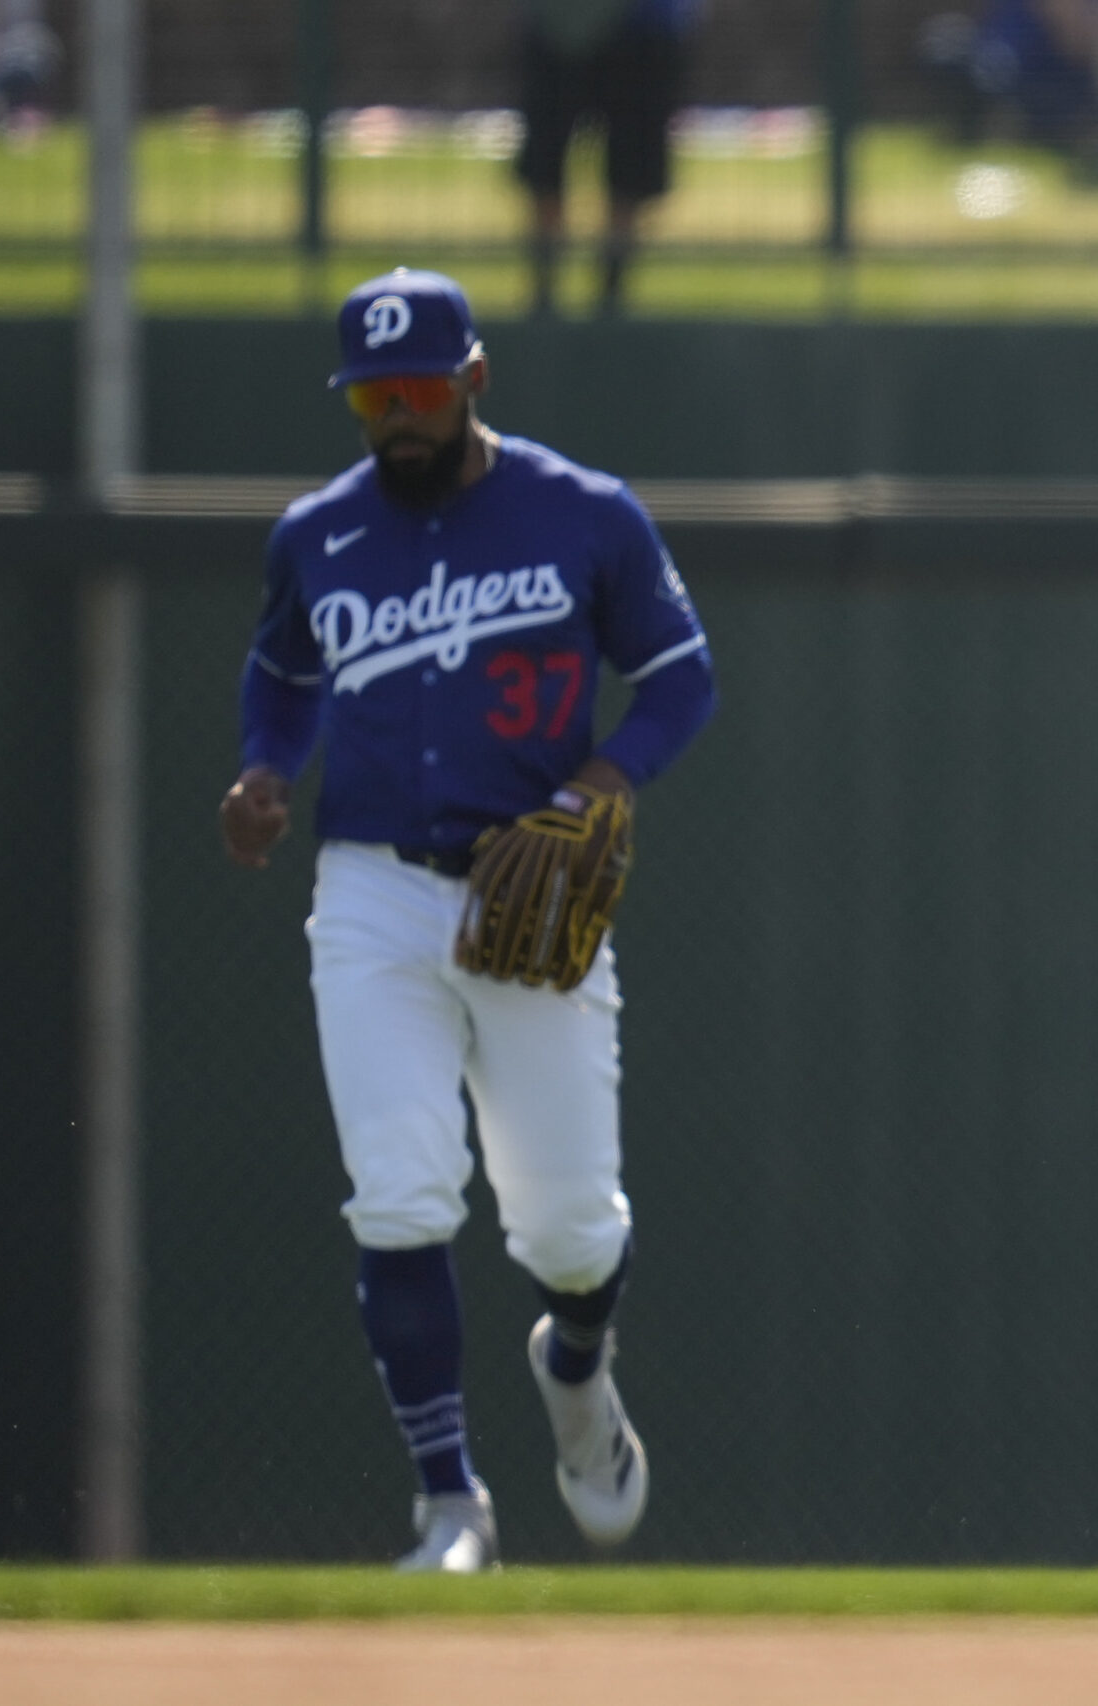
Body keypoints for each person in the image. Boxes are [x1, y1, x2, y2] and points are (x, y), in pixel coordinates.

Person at [217, 269, 717, 1570]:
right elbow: (281, 681)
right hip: (371, 888)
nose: (397, 413)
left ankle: (576, 1365)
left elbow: (678, 678)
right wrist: (266, 774)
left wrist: (600, 782)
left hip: (526, 880)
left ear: (474, 380)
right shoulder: (317, 535)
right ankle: (450, 1503)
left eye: (420, 388)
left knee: (568, 1230)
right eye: (373, 394)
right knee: (399, 1187)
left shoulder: (583, 513)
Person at [516, 0, 698, 316]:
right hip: (559, 25)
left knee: (631, 169)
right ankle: (544, 296)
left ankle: (612, 296)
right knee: (545, 163)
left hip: (644, 28)